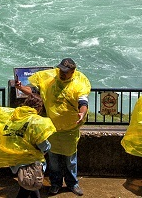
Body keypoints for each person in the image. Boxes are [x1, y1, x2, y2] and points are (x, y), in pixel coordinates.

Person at [18, 58, 90, 196]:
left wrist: (82, 113)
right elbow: (34, 92)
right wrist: (21, 87)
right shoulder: (50, 81)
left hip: (70, 130)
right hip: (52, 128)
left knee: (71, 160)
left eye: (65, 71)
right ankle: (55, 183)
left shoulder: (79, 84)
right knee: (54, 161)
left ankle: (72, 183)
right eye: (61, 70)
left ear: (72, 71)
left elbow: (83, 101)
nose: (61, 73)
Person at [0, 94, 57, 198]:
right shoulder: (36, 122)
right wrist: (46, 149)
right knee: (31, 184)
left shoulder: (14, 115)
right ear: (39, 108)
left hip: (15, 158)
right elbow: (44, 145)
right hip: (31, 160)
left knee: (28, 185)